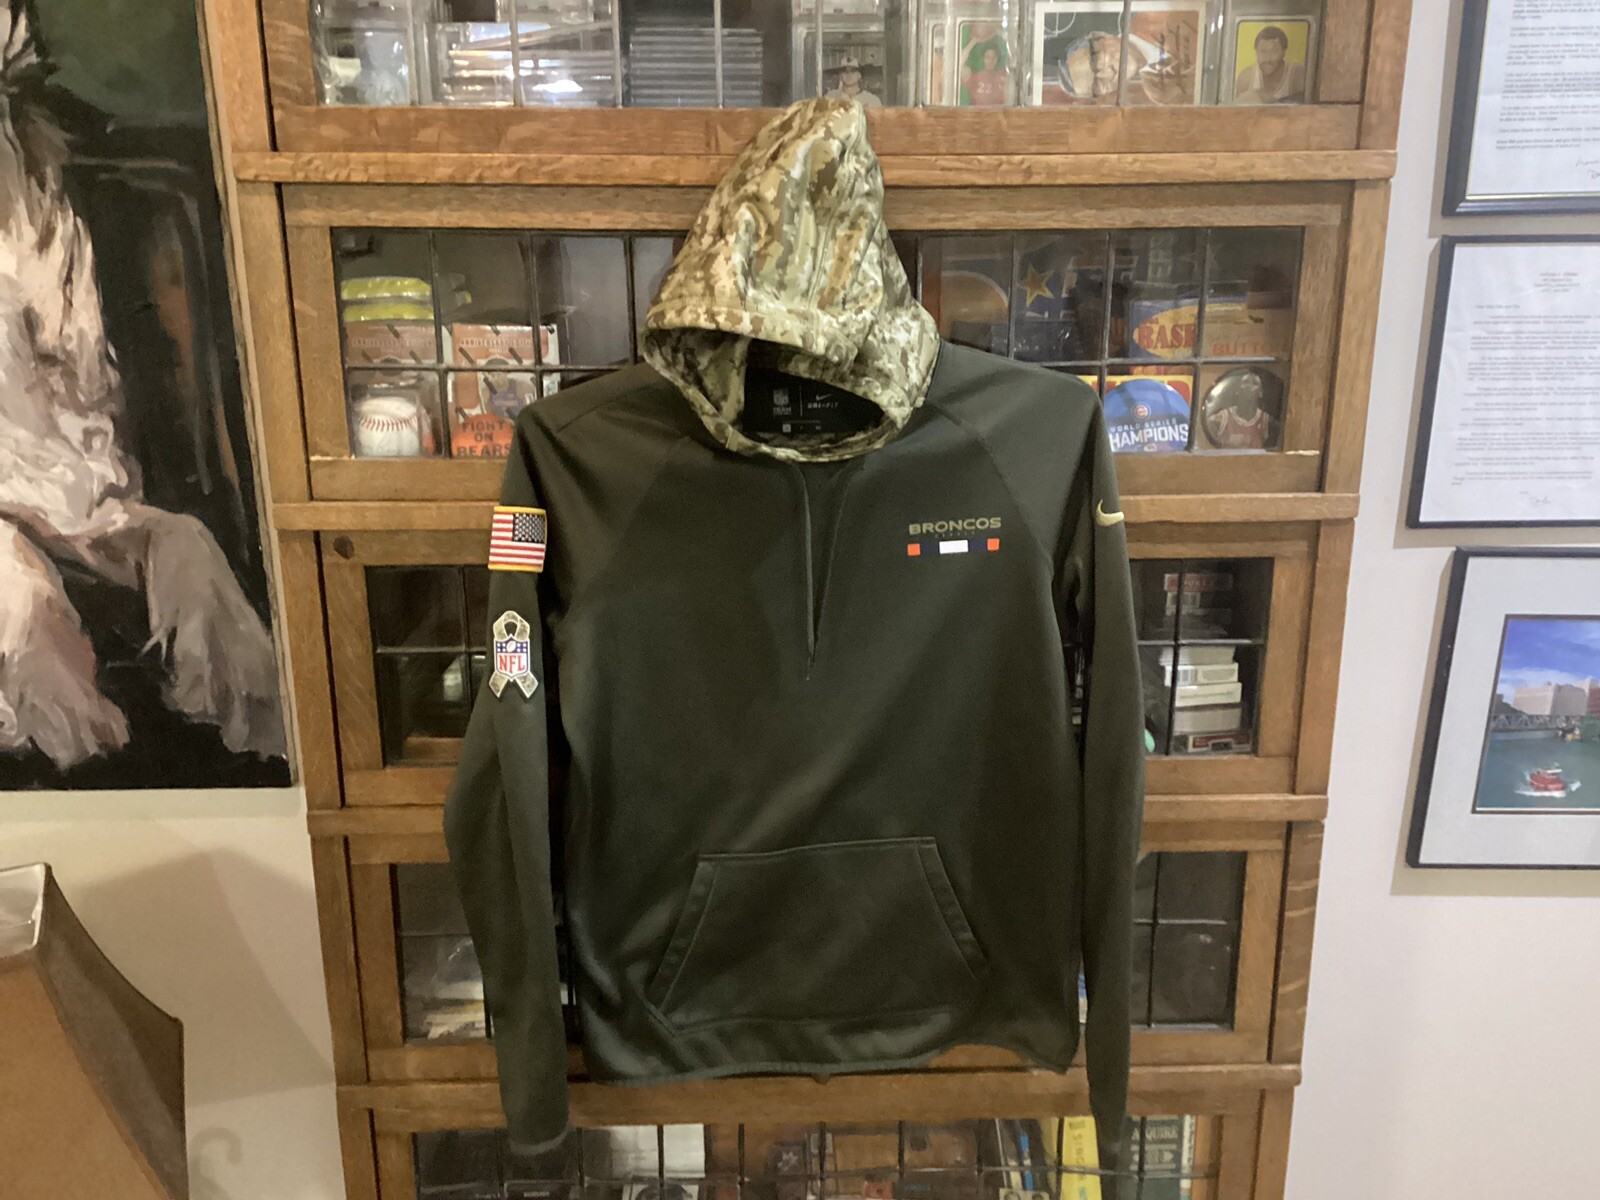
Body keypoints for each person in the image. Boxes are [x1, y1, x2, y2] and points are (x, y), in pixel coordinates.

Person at [1233, 25, 1305, 104]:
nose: (1267, 59)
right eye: (1263, 52)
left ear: (1284, 52)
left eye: (1273, 52)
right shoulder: (1246, 77)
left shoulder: (1296, 75)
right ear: (1256, 53)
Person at [963, 39, 1009, 106]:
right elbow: (958, 65)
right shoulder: (975, 77)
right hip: (977, 112)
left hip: (998, 112)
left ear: (997, 59)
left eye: (993, 58)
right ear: (983, 59)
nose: (990, 61)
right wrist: (974, 41)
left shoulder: (1003, 76)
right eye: (987, 57)